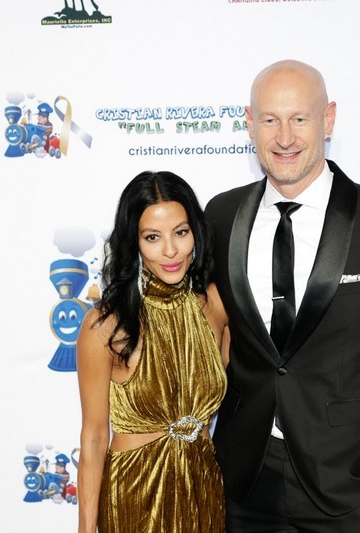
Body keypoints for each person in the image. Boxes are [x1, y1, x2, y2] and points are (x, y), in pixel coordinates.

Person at [205, 59, 360, 532]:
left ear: (328, 119)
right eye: (270, 120)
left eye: (299, 118)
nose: (284, 138)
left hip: (349, 481)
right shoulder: (221, 215)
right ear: (249, 123)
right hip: (243, 480)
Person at [76, 171, 229, 533]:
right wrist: (86, 528)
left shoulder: (215, 305)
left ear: (196, 233)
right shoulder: (106, 325)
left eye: (181, 232)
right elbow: (94, 437)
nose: (171, 251)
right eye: (153, 237)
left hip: (203, 491)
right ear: (134, 242)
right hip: (134, 497)